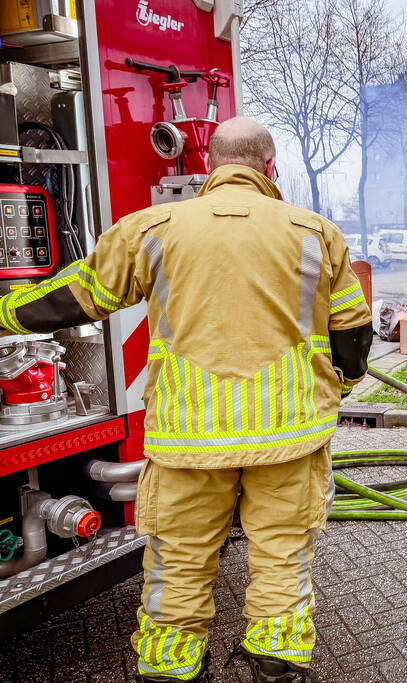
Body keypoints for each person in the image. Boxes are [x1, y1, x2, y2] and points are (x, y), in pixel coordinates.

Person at [0, 117, 373, 682]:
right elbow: (352, 328)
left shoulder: (151, 226)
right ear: (271, 168)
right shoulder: (315, 231)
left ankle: (171, 667)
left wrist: (5, 313)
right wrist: (337, 385)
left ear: (210, 167)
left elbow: (79, 296)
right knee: (281, 553)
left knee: (177, 560)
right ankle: (276, 663)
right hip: (289, 434)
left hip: (187, 436)